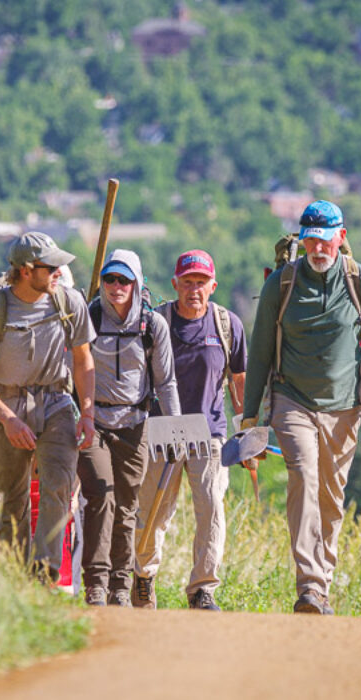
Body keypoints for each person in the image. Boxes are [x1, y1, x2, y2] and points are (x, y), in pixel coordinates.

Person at [241, 200, 361, 615]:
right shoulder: (282, 284)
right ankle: (309, 585)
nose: (318, 249)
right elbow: (259, 352)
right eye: (311, 240)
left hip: (345, 407)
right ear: (302, 239)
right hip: (292, 400)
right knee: (304, 478)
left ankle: (322, 584)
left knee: (331, 496)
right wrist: (250, 417)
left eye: (326, 241)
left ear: (341, 239)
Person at [0, 231, 96, 582]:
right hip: (7, 403)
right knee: (13, 499)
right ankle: (13, 577)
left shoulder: (70, 303)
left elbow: (83, 361)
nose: (58, 272)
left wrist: (88, 412)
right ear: (24, 270)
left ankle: (45, 569)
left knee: (59, 485)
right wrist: (7, 420)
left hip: (56, 402)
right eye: (49, 266)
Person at [133, 249, 247, 611]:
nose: (193, 290)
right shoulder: (157, 322)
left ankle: (202, 589)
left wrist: (246, 432)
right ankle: (143, 575)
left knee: (211, 509)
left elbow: (239, 380)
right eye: (187, 283)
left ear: (213, 286)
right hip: (161, 430)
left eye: (200, 283)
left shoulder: (228, 325)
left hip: (209, 432)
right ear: (175, 285)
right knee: (152, 510)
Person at [78, 250, 180, 607]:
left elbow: (165, 383)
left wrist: (174, 429)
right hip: (93, 423)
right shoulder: (89, 318)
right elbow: (73, 366)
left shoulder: (153, 326)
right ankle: (95, 582)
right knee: (100, 498)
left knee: (126, 507)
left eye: (124, 280)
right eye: (110, 279)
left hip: (135, 426)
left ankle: (120, 586)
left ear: (137, 283)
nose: (116, 287)